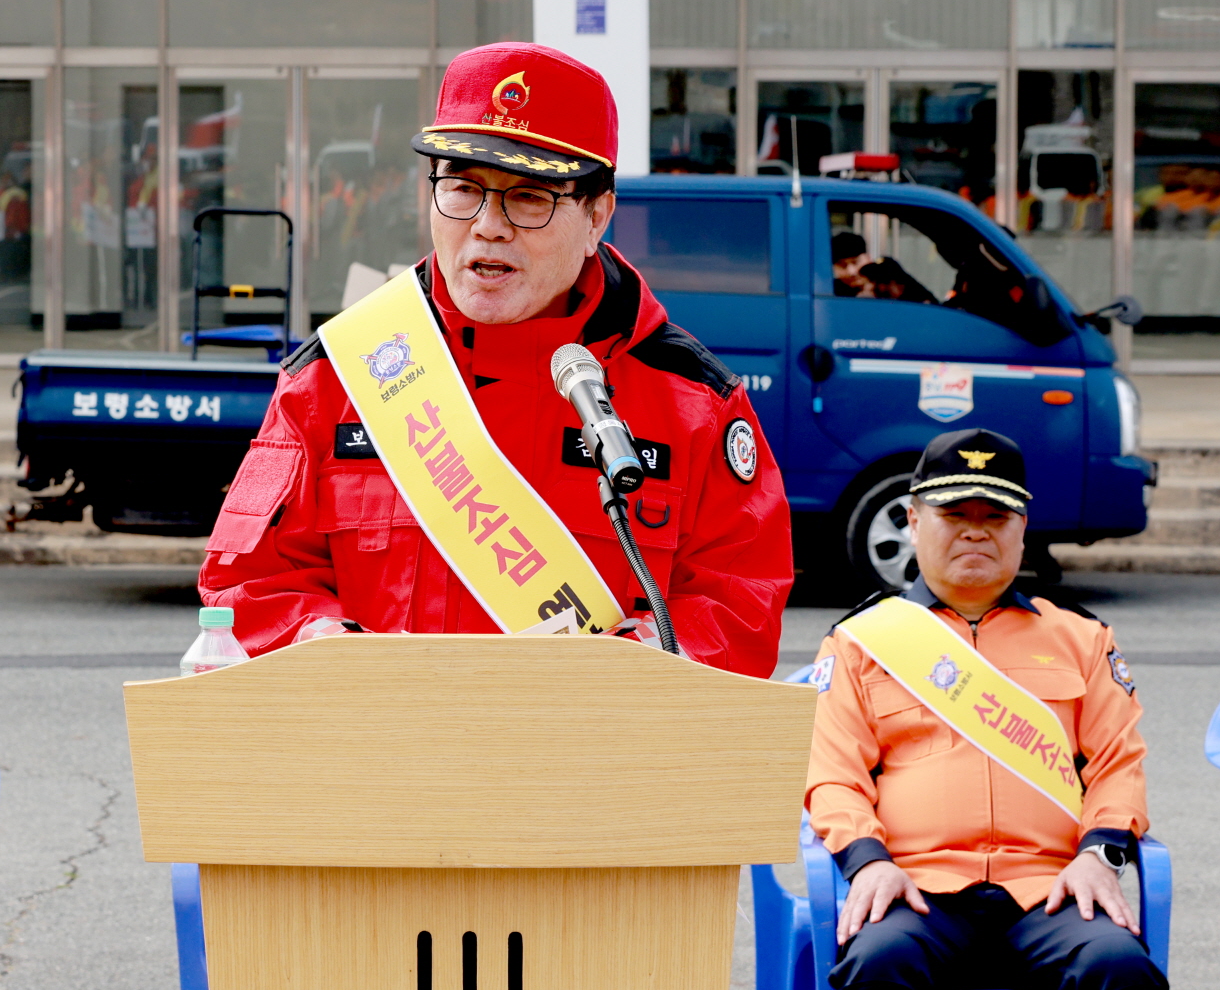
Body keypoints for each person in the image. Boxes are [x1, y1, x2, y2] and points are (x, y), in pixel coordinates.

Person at [199, 42, 792, 676]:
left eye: (529, 198)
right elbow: (249, 582)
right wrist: (326, 647)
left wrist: (635, 667)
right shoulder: (336, 374)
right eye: (462, 189)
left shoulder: (693, 403)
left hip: (585, 764)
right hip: (378, 760)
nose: (488, 226)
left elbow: (740, 607)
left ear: (598, 216)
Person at [804, 429, 1187, 990]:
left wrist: (1104, 847)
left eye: (996, 515)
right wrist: (865, 859)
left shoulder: (1081, 639)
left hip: (1048, 887)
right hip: (921, 887)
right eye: (954, 513)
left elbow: (1119, 761)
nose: (975, 530)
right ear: (912, 521)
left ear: (1023, 532)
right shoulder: (866, 641)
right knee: (873, 969)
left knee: (1127, 977)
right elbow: (831, 771)